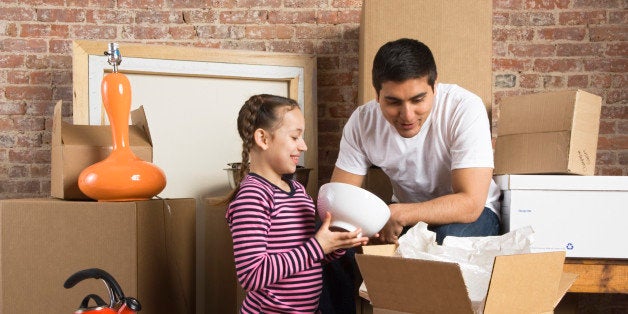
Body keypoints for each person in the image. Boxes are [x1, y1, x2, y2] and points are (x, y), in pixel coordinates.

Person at [320, 38, 501, 313]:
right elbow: (339, 205)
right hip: (404, 215)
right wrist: (351, 229)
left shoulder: (465, 109)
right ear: (377, 94)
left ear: (434, 86)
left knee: (443, 245)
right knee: (330, 246)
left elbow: (470, 204)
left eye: (418, 100)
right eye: (393, 102)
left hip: (472, 214)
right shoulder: (362, 121)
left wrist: (399, 213)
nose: (407, 115)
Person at [225, 94, 370, 314]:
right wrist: (317, 247)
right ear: (263, 139)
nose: (304, 146)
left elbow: (311, 256)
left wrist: (338, 243)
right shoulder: (253, 197)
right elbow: (252, 275)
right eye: (295, 137)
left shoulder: (299, 192)